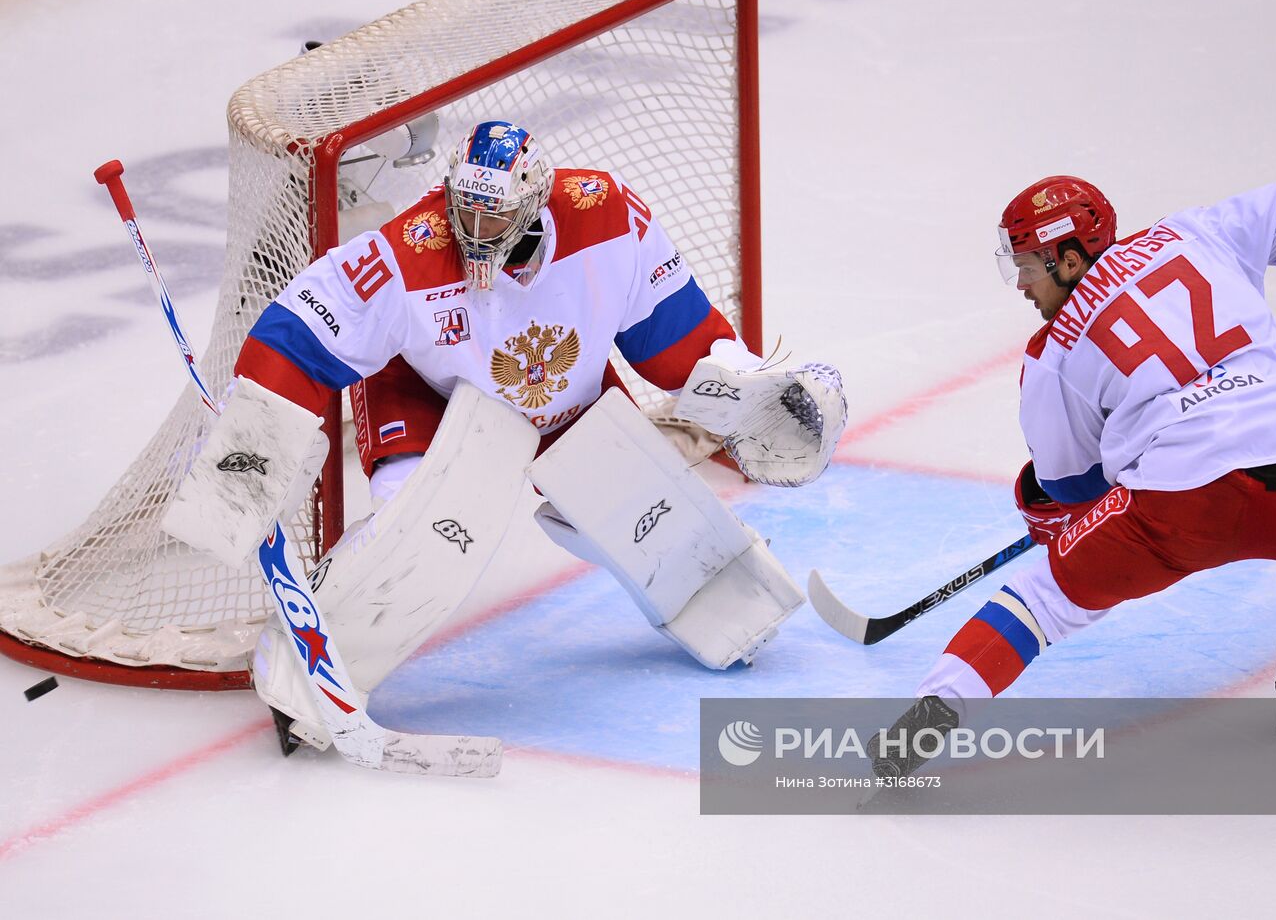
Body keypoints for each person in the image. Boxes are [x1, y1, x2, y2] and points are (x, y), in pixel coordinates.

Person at [162, 120, 846, 753]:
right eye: (467, 207)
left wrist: (748, 390)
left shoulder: (605, 216)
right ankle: (302, 671)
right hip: (431, 396)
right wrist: (251, 440)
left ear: (536, 201)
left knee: (647, 514)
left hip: (565, 390)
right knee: (421, 534)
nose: (476, 225)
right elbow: (298, 334)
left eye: (495, 211)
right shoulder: (407, 253)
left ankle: (729, 612)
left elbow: (673, 333)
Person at [873, 175, 1276, 775]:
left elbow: (1075, 488)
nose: (1023, 287)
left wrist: (1048, 509)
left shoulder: (1052, 354)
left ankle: (930, 715)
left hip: (1184, 510)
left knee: (1043, 601)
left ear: (1068, 257)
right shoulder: (1194, 233)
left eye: (1029, 268)